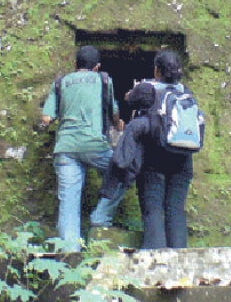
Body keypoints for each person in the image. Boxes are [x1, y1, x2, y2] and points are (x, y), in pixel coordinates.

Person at [41, 46, 126, 252]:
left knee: (68, 201)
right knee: (124, 170)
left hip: (66, 148)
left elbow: (46, 118)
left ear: (74, 64)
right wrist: (120, 125)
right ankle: (100, 216)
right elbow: (113, 113)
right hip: (95, 146)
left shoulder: (61, 82)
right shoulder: (104, 80)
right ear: (97, 67)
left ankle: (71, 253)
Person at [136, 50, 194, 249]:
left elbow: (131, 100)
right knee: (176, 209)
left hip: (155, 157)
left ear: (156, 70)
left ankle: (155, 259)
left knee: (153, 209)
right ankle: (180, 261)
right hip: (183, 158)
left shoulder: (147, 88)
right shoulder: (185, 92)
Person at [98, 82, 156, 201]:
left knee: (101, 213)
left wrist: (111, 187)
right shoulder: (156, 122)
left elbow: (122, 159)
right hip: (154, 172)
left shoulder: (136, 125)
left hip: (125, 176)